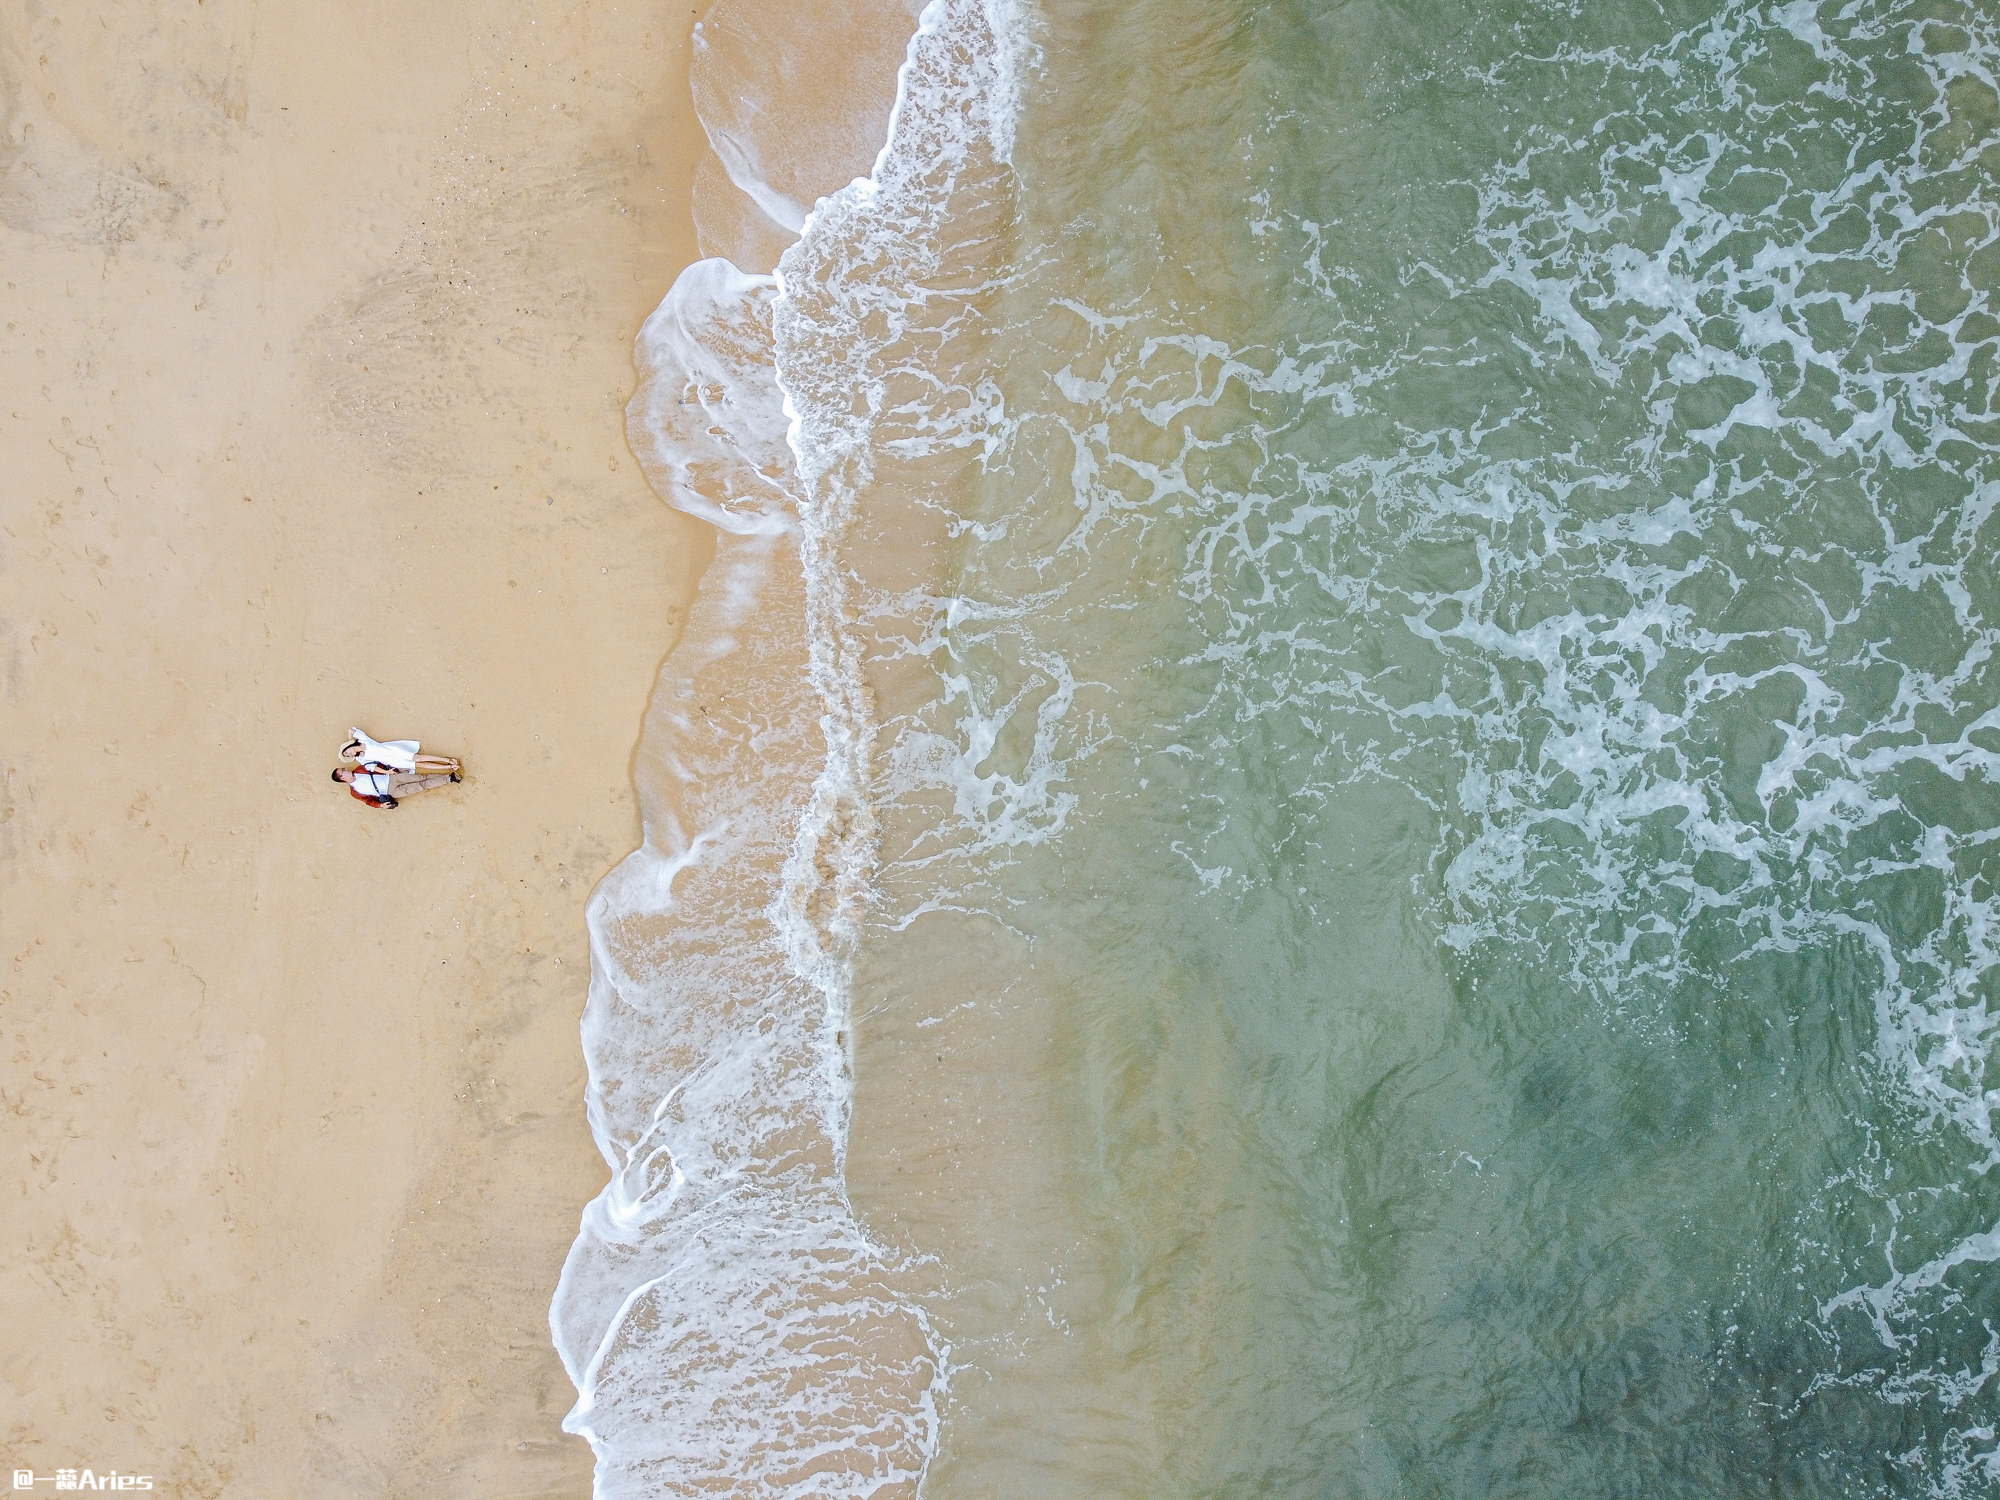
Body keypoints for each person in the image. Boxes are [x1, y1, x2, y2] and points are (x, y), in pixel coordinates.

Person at [333, 762, 461, 809]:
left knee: (421, 778)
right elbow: (369, 801)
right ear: (342, 778)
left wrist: (395, 769)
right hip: (391, 792)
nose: (345, 769)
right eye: (342, 771)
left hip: (392, 778)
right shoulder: (355, 792)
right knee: (420, 786)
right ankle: (449, 779)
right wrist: (380, 805)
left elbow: (379, 767)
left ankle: (448, 777)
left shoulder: (360, 769)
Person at [339, 727, 460, 775]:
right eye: (348, 755)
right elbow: (372, 767)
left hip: (392, 750)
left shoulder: (362, 739)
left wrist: (349, 741)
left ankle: (447, 760)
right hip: (392, 760)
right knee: (419, 764)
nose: (349, 754)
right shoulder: (361, 758)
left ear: (348, 747)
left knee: (418, 757)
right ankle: (448, 768)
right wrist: (387, 772)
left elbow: (350, 729)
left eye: (347, 752)